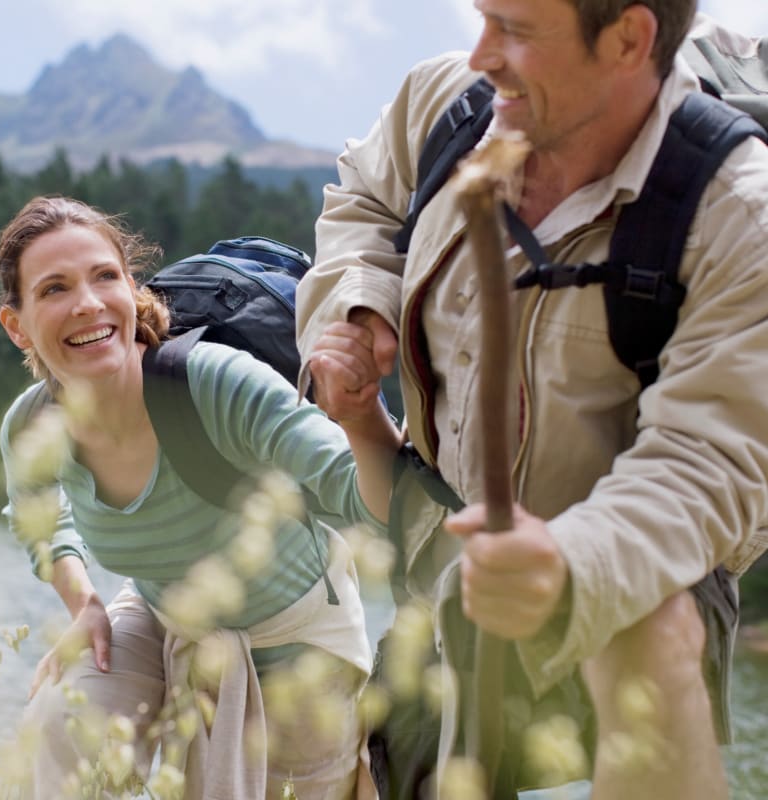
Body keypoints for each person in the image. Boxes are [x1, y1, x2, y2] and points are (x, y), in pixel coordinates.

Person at [295, 2, 768, 799]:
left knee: (652, 636)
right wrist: (360, 303)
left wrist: (567, 566)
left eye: (515, 30)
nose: (481, 55)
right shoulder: (445, 105)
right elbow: (365, 201)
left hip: (630, 567)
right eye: (483, 17)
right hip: (443, 570)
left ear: (628, 39)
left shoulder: (739, 216)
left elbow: (708, 461)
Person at [0, 195, 400, 799]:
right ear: (17, 324)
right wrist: (85, 603)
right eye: (54, 289)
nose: (87, 303)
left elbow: (368, 497)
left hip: (295, 640)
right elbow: (39, 520)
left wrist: (362, 413)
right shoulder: (33, 425)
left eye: (105, 277)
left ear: (131, 291)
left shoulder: (214, 384)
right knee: (64, 727)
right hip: (164, 612)